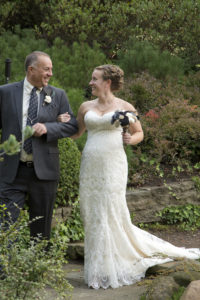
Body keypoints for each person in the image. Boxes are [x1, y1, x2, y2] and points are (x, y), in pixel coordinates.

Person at [58, 64, 200, 289]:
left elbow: (139, 133)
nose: (90, 83)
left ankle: (113, 265)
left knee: (111, 208)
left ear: (107, 82)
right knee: (92, 209)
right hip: (90, 165)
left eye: (94, 79)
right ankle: (97, 268)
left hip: (114, 164)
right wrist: (61, 123)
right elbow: (76, 133)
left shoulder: (125, 107)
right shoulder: (86, 107)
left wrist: (130, 140)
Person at [0, 51, 78, 240]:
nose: (50, 73)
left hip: (44, 172)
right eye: (46, 69)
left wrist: (48, 128)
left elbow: (71, 126)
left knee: (41, 230)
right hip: (11, 171)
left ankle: (39, 268)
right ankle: (5, 269)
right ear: (31, 69)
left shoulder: (57, 95)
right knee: (6, 227)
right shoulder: (5, 92)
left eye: (51, 69)